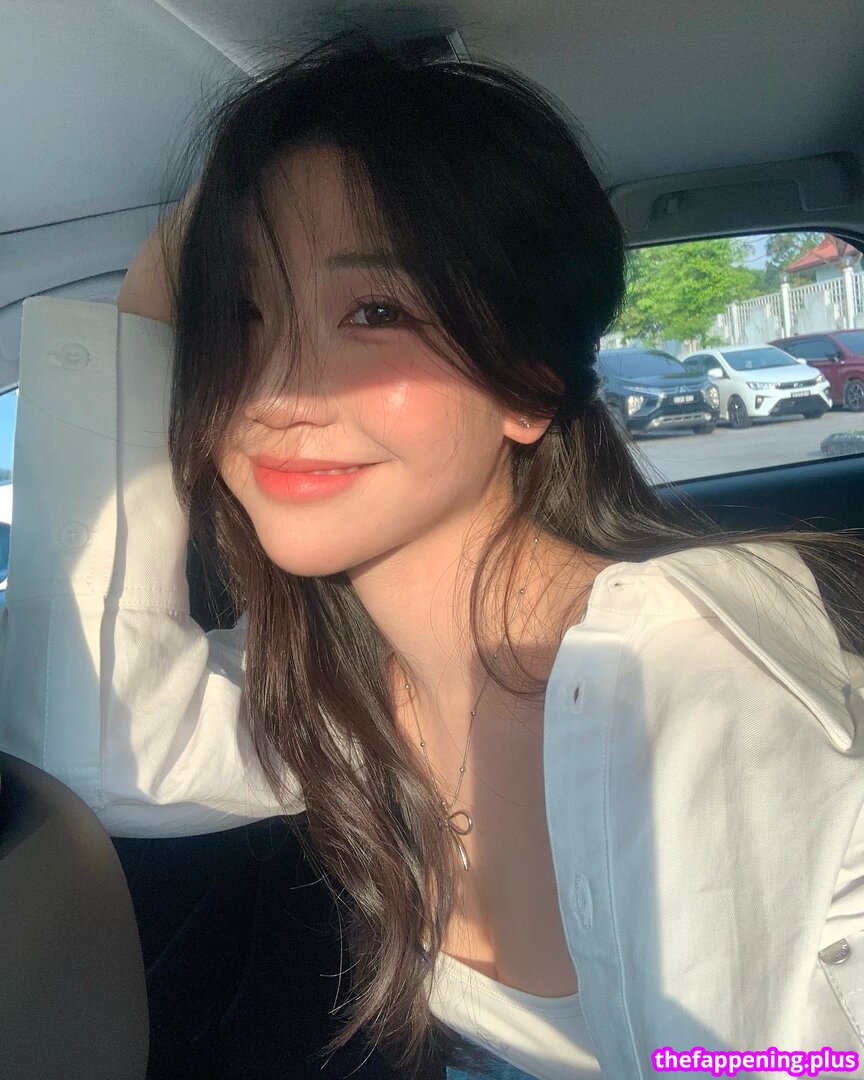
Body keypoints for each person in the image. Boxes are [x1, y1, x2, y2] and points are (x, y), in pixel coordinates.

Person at [3, 34, 864, 1080]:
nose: (274, 391)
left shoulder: (678, 670)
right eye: (240, 315)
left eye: (375, 312)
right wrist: (152, 294)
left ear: (526, 385)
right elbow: (105, 752)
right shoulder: (349, 698)